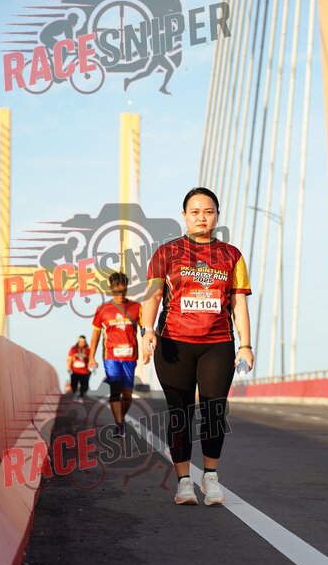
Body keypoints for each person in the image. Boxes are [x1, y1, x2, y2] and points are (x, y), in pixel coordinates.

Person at [141, 187, 254, 506]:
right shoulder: (167, 253)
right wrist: (147, 330)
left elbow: (239, 303)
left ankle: (211, 477)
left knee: (215, 411)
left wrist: (245, 345)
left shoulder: (232, 255)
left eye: (208, 211)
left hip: (217, 344)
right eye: (195, 212)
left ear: (217, 215)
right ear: (184, 216)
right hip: (174, 343)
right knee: (180, 413)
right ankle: (183, 482)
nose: (201, 217)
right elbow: (153, 294)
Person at [89, 272, 142, 434]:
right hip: (111, 357)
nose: (120, 295)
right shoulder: (103, 310)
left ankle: (121, 418)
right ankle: (119, 425)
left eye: (123, 291)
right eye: (117, 292)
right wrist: (91, 357)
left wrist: (148, 350)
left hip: (130, 357)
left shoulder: (137, 307)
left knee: (127, 395)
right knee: (116, 389)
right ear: (111, 290)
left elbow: (144, 330)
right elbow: (96, 334)